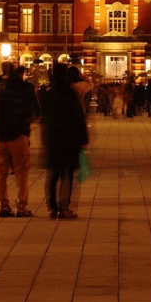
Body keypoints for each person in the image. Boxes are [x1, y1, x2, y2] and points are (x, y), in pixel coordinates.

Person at [0, 62, 40, 217]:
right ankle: (21, 207)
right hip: (19, 135)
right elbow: (36, 111)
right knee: (21, 172)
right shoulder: (26, 88)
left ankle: (3, 207)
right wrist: (25, 121)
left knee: (0, 173)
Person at [45, 65, 90, 219]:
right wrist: (83, 138)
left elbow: (43, 117)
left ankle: (51, 208)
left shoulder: (49, 94)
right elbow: (79, 117)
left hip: (53, 138)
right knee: (67, 175)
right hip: (69, 138)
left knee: (52, 175)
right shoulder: (70, 93)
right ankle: (64, 207)